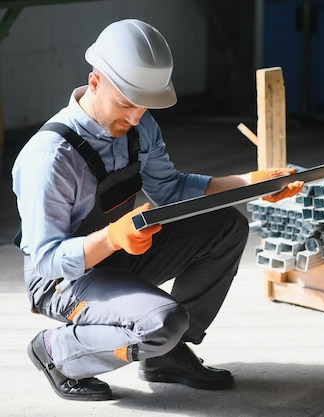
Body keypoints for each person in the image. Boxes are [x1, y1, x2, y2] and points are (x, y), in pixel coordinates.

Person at [11, 18, 303, 401]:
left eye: (144, 106)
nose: (135, 117)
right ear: (94, 82)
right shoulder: (49, 158)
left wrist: (253, 184)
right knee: (163, 322)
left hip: (117, 256)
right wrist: (113, 236)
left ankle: (167, 355)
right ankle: (58, 352)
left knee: (226, 225)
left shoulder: (139, 127)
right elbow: (47, 259)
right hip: (62, 280)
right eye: (127, 103)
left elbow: (173, 189)